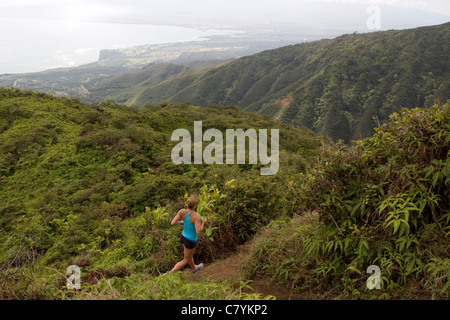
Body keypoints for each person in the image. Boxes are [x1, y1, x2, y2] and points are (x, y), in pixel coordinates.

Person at [168, 194, 207, 274]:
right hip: (191, 240)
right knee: (186, 259)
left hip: (183, 237)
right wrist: (203, 223)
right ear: (195, 205)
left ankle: (194, 269)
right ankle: (168, 274)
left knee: (188, 256)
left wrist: (183, 222)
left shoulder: (182, 211)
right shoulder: (196, 216)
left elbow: (173, 223)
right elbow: (198, 231)